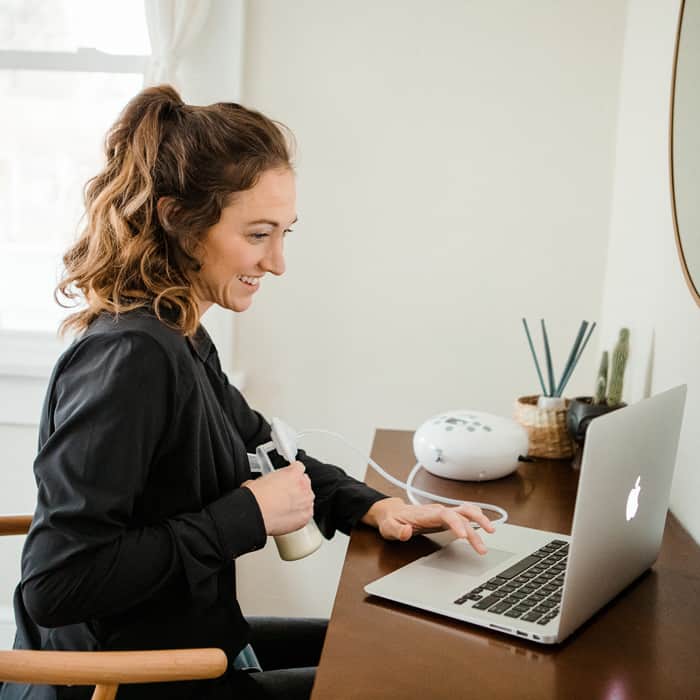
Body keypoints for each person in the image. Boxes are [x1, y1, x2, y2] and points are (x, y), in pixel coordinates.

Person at [1, 85, 494, 700]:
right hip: (129, 678)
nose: (279, 262)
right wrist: (248, 515)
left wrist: (373, 506)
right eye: (259, 235)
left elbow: (259, 443)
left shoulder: (178, 331)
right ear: (177, 218)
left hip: (195, 641)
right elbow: (57, 584)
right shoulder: (130, 358)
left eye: (285, 232)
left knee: (392, 645)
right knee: (399, 680)